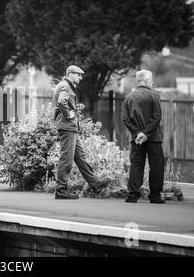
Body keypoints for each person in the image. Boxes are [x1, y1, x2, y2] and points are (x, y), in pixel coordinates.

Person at [53, 65, 110, 199]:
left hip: (70, 128)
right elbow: (62, 102)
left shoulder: (65, 85)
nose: (80, 77)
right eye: (78, 75)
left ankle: (95, 184)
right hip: (67, 127)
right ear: (70, 74)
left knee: (81, 158)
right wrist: (69, 115)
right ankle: (61, 191)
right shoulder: (65, 86)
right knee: (66, 159)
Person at [122, 70, 165, 204]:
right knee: (156, 166)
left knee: (136, 165)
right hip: (154, 138)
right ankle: (155, 196)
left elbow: (126, 119)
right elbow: (157, 117)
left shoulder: (129, 97)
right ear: (146, 81)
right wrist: (146, 133)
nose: (152, 81)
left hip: (137, 139)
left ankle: (132, 195)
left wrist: (138, 133)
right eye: (151, 79)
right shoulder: (153, 96)